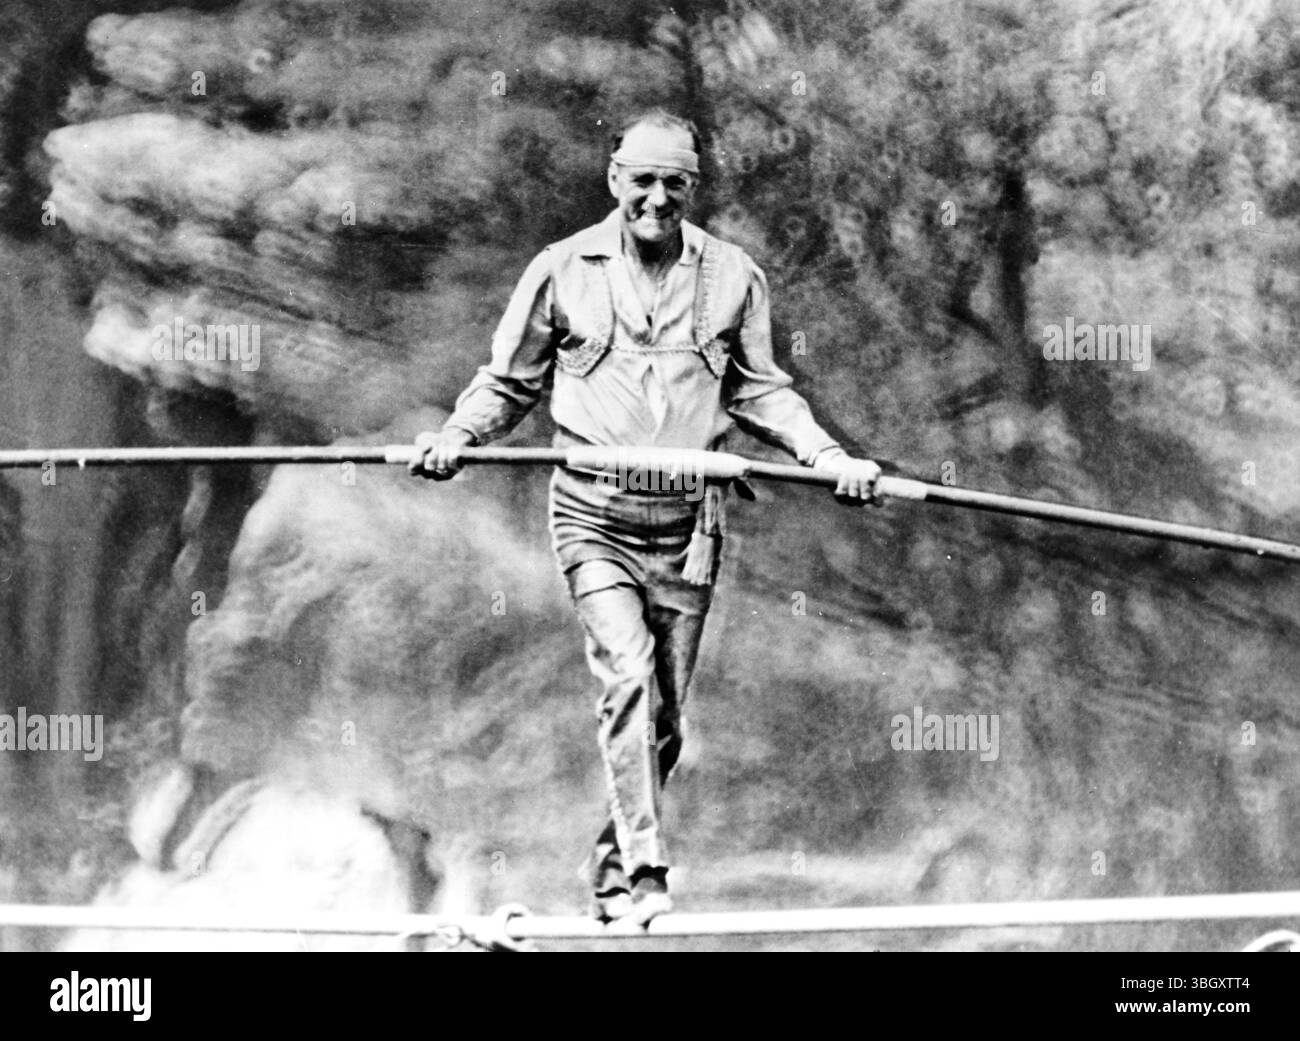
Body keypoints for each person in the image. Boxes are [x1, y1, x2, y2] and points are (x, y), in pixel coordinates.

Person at [412, 110, 883, 925]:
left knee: (663, 720)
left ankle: (608, 869)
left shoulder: (735, 275)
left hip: (688, 533)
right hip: (592, 515)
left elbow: (760, 388)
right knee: (625, 677)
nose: (658, 199)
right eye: (643, 181)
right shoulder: (561, 270)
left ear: (693, 186)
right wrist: (456, 436)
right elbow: (508, 381)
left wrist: (828, 457)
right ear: (614, 179)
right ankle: (646, 872)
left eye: (676, 183)